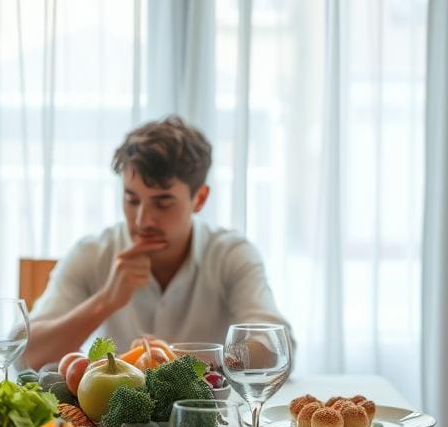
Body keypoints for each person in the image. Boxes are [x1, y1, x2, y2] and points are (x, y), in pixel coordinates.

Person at [24, 115, 293, 370]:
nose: (142, 220)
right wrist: (105, 301)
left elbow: (276, 348)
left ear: (199, 199)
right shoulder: (92, 253)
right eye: (132, 199)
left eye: (162, 203)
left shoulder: (231, 254)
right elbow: (25, 355)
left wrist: (179, 361)